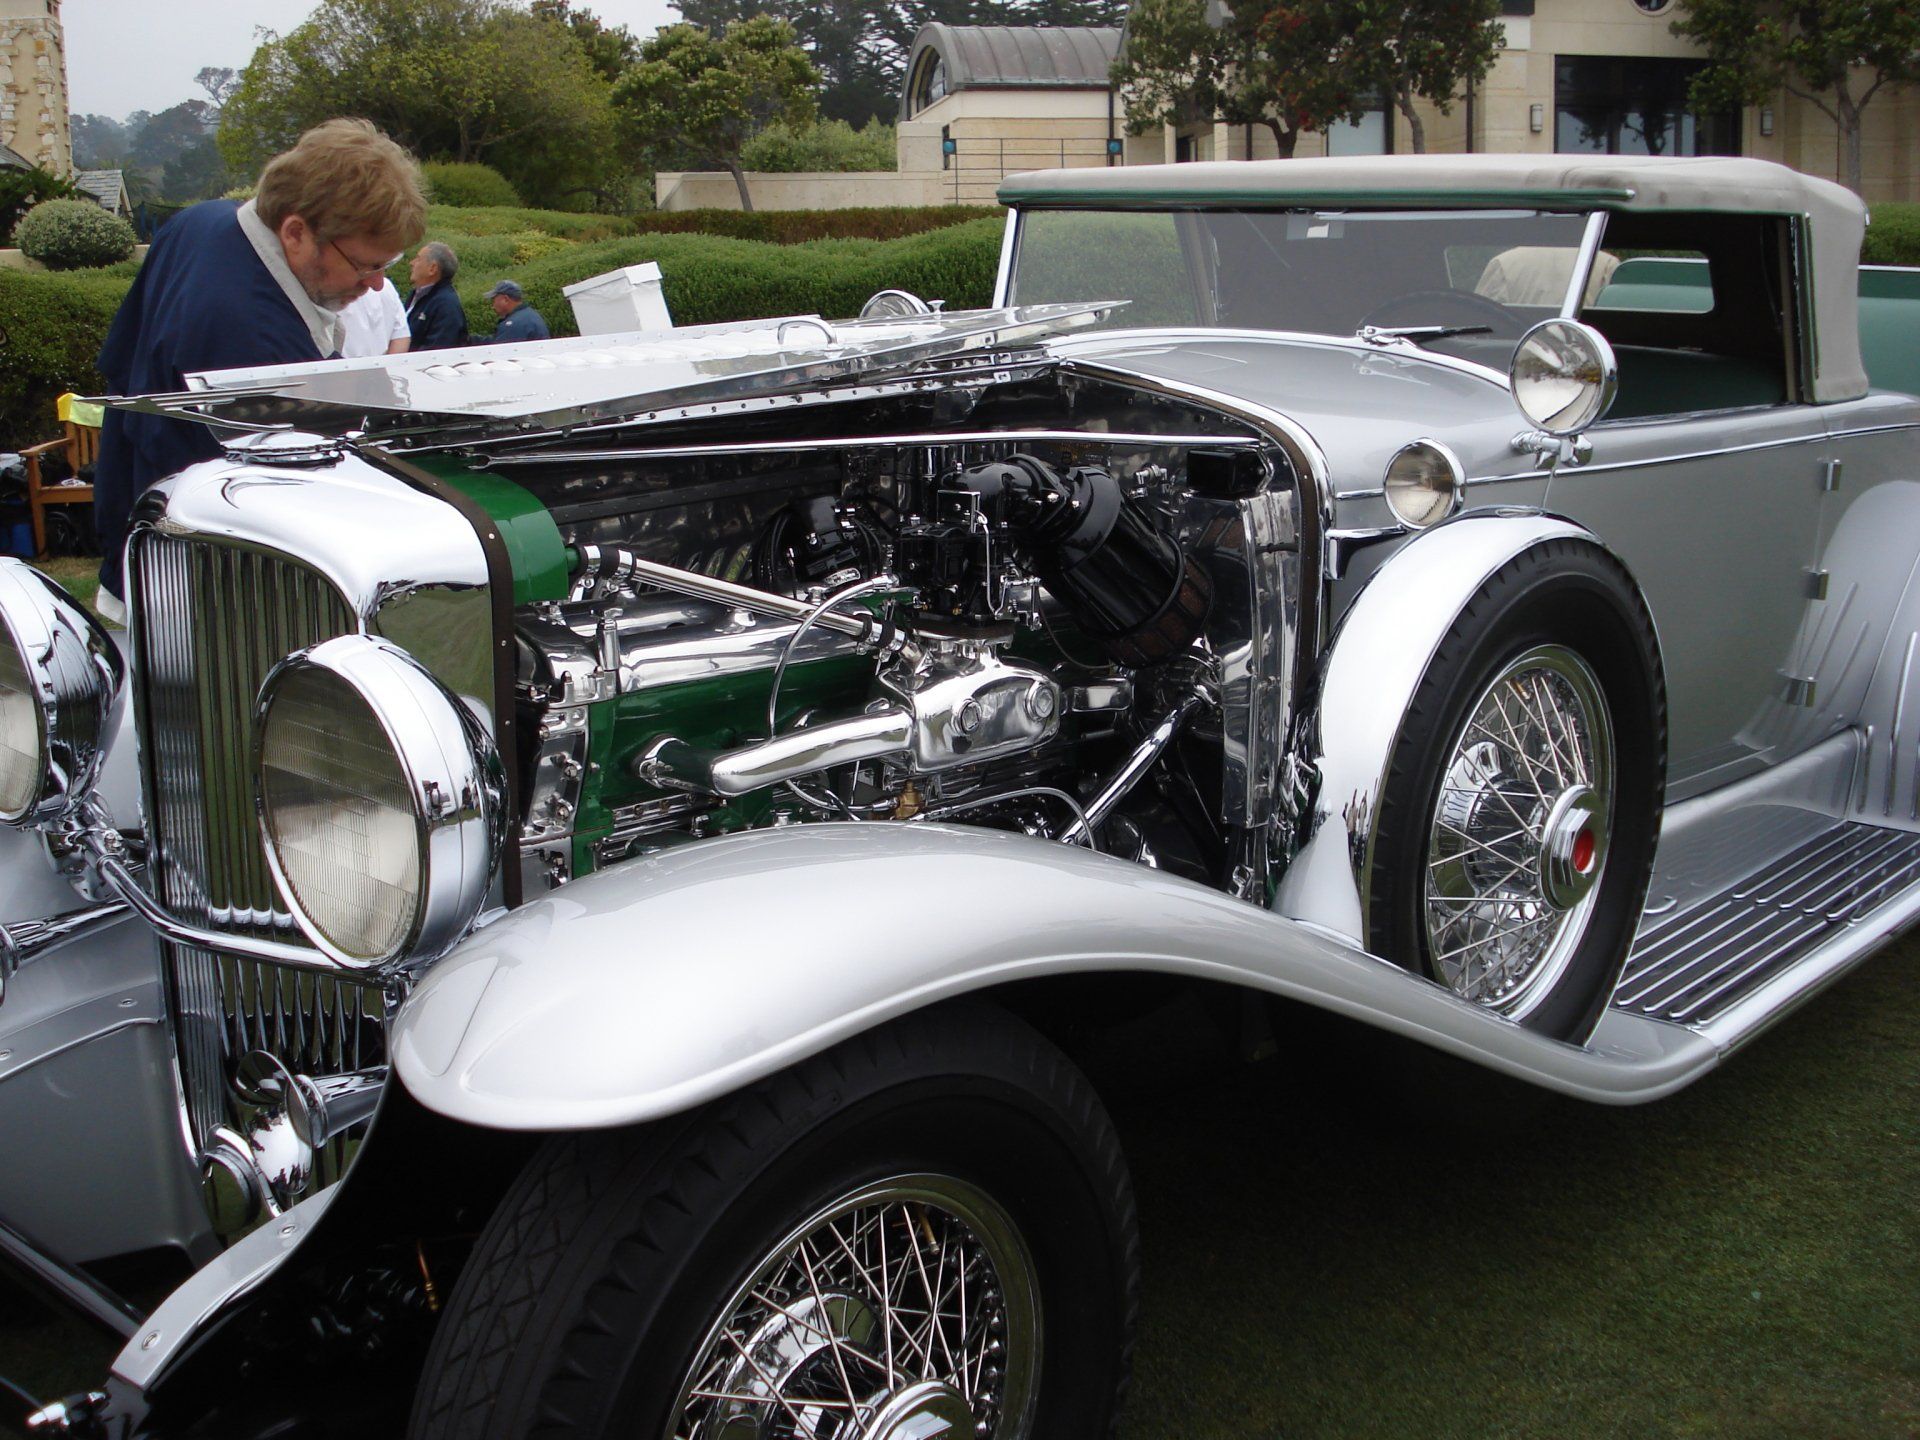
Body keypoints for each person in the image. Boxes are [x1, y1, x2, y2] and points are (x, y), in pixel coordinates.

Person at [93, 118, 427, 618]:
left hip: (133, 521)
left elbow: (120, 360)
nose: (377, 286)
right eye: (366, 266)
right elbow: (303, 496)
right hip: (198, 585)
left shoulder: (201, 222)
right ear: (295, 232)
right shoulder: (253, 333)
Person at [406, 242, 468, 351]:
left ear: (432, 268)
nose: (412, 263)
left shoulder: (446, 305)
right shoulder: (416, 294)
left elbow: (436, 351)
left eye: (418, 259)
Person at [340, 279, 412, 358]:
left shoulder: (333, 288)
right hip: (382, 365)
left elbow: (401, 335)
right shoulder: (386, 286)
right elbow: (401, 336)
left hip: (338, 366)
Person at [485, 280, 549, 343]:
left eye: (493, 300)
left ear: (505, 299)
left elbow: (500, 350)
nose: (493, 306)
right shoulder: (529, 315)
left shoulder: (513, 325)